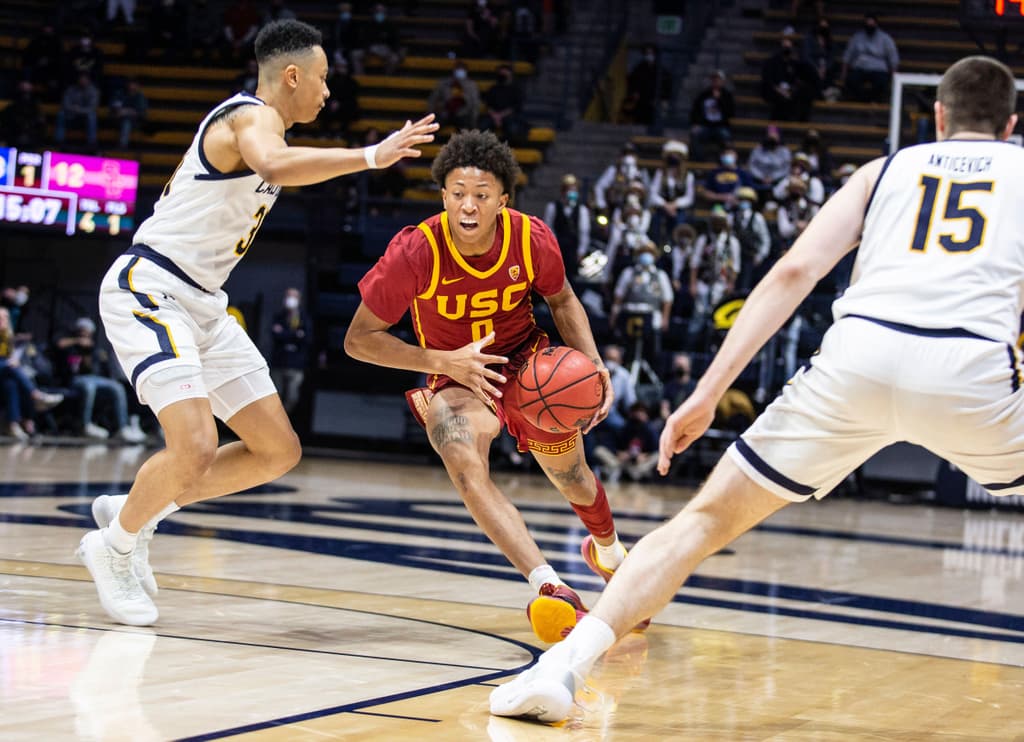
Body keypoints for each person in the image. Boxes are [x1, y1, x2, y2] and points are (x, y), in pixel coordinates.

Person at [489, 54, 1024, 723]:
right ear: (1011, 124)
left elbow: (794, 272)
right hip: (971, 369)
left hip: (857, 358)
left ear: (937, 116)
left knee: (701, 524)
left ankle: (563, 668)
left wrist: (708, 391)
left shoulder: (884, 170)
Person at [77, 19, 438, 627]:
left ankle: (137, 508)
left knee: (277, 450)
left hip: (204, 304)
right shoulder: (249, 117)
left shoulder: (265, 126)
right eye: (322, 78)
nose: (328, 91)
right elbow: (274, 164)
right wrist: (369, 156)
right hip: (152, 287)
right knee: (195, 446)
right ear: (291, 75)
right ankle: (111, 547)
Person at [345, 130, 642, 645]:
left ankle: (610, 554)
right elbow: (359, 340)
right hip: (455, 376)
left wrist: (595, 365)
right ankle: (549, 586)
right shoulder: (415, 251)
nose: (468, 205)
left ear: (502, 200)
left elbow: (563, 300)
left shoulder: (530, 238)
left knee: (574, 478)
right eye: (458, 193)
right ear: (443, 196)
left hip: (527, 366)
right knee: (463, 463)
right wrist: (443, 361)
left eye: (481, 195)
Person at [55, 317, 147, 442]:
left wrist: (88, 354)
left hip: (94, 378)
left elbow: (95, 367)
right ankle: (85, 424)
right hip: (75, 379)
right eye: (82, 330)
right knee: (89, 387)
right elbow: (59, 344)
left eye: (88, 331)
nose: (85, 334)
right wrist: (77, 341)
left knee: (117, 387)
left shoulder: (93, 347)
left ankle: (123, 427)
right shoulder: (69, 343)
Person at [0, 307, 63, 441]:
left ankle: (13, 424)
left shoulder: (7, 337)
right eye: (0, 318)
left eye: (5, 318)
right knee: (11, 368)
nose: (3, 320)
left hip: (5, 375)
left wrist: (15, 359)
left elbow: (11, 357)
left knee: (11, 384)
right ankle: (35, 397)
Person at [839, 13, 899, 103]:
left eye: (871, 24)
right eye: (867, 24)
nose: (869, 26)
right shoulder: (857, 37)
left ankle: (872, 100)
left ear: (876, 24)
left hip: (878, 69)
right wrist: (843, 72)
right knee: (851, 80)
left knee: (882, 82)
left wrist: (894, 74)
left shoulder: (885, 38)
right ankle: (861, 100)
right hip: (860, 67)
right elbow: (848, 54)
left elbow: (893, 57)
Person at [269, 287, 310, 415]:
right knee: (275, 397)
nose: (291, 299)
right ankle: (275, 420)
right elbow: (275, 335)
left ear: (299, 300)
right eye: (288, 296)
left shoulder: (304, 319)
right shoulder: (279, 316)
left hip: (296, 365)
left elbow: (306, 338)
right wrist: (295, 335)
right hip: (279, 362)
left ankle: (285, 419)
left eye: (294, 297)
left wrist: (284, 333)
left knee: (292, 397)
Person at [688, 70, 734, 161]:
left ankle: (724, 161)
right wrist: (695, 124)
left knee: (726, 137)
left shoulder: (727, 95)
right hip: (705, 126)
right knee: (695, 134)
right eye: (714, 79)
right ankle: (699, 161)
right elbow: (695, 111)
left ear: (723, 81)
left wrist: (719, 100)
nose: (716, 81)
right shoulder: (704, 95)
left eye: (718, 79)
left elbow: (730, 113)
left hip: (721, 126)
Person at [427, 60, 480, 130]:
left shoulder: (471, 85)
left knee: (466, 128)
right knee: (433, 126)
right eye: (458, 69)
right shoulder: (443, 83)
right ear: (454, 70)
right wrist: (431, 112)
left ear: (466, 71)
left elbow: (475, 103)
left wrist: (474, 119)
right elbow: (433, 98)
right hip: (445, 113)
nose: (460, 71)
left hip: (463, 114)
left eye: (462, 69)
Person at [54, 73, 99, 151]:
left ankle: (91, 143)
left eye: (84, 79)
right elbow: (65, 104)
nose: (82, 81)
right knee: (61, 114)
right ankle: (59, 141)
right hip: (71, 115)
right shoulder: (71, 89)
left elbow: (92, 108)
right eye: (81, 79)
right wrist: (73, 109)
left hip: (84, 118)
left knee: (92, 116)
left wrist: (79, 109)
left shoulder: (93, 91)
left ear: (88, 80)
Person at [110, 78, 148, 149]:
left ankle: (122, 145)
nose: (132, 86)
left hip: (135, 121)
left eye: (134, 84)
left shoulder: (140, 96)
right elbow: (115, 108)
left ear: (137, 86)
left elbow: (140, 112)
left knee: (126, 122)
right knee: (124, 120)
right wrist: (124, 111)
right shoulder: (119, 94)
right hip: (117, 119)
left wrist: (126, 111)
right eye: (130, 84)